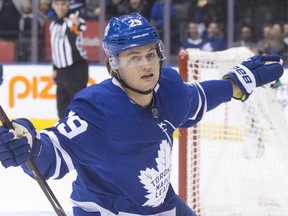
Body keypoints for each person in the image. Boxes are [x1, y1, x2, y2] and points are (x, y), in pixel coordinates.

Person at [0, 13, 284, 216]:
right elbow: (55, 151)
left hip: (163, 205)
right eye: (134, 58)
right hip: (107, 210)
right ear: (114, 65)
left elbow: (198, 97)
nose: (147, 64)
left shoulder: (169, 86)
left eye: (151, 54)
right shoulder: (97, 108)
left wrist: (235, 84)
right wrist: (28, 142)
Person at [50, 0, 89, 119]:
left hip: (76, 68)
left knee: (79, 109)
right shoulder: (53, 25)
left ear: (68, 6)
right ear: (53, 6)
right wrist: (55, 68)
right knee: (62, 109)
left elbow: (81, 25)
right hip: (61, 71)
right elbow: (55, 47)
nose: (60, 7)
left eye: (63, 4)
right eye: (58, 4)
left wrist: (76, 24)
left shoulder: (71, 20)